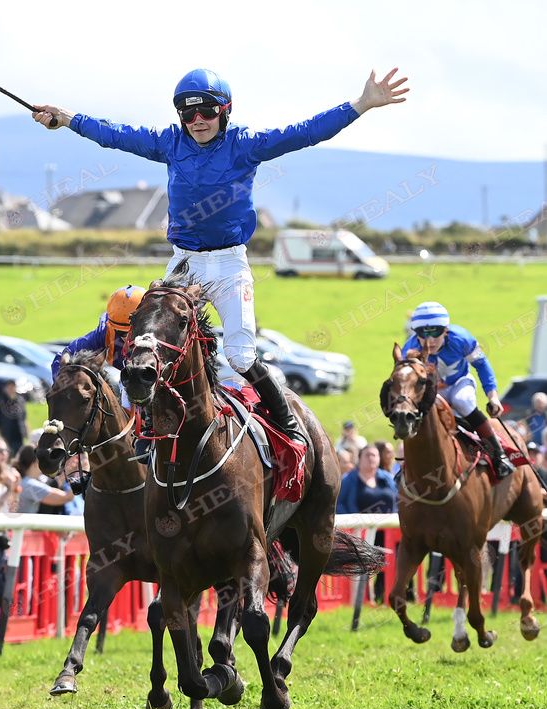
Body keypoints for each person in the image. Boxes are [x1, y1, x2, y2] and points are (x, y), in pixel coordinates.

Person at [33, 66, 409, 442]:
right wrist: (67, 119)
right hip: (183, 265)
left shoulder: (246, 144)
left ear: (225, 111)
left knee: (242, 357)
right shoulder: (169, 143)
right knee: (148, 351)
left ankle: (289, 427)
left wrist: (360, 105)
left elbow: (305, 133)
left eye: (207, 112)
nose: (197, 121)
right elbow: (114, 135)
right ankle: (145, 435)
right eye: (187, 113)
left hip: (229, 265)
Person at [402, 301, 515, 479]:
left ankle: (498, 455)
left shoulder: (462, 339)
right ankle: (407, 466)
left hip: (459, 383)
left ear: (446, 330)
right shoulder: (409, 350)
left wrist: (493, 396)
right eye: (423, 335)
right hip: (431, 391)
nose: (429, 341)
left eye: (435, 333)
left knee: (462, 401)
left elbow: (482, 364)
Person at [52, 284, 146, 409]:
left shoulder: (161, 331)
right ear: (111, 326)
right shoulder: (104, 333)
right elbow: (65, 355)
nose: (127, 338)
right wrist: (64, 387)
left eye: (133, 332)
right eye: (122, 333)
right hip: (128, 378)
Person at [336, 444, 398, 604]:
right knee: (364, 565)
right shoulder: (349, 479)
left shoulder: (387, 478)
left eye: (375, 455)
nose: (371, 459)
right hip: (358, 532)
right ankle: (361, 599)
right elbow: (340, 504)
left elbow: (397, 500)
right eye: (368, 455)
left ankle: (384, 597)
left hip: (387, 531)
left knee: (390, 563)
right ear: (360, 458)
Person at [13, 446, 74, 513]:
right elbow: (67, 497)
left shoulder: (24, 481)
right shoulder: (30, 484)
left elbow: (57, 483)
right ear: (35, 464)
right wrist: (77, 475)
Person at [0, 380, 28, 456]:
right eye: (9, 387)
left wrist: (26, 430)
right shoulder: (1, 401)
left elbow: (24, 417)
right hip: (7, 432)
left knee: (19, 453)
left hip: (19, 432)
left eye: (13, 387)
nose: (11, 389)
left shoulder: (20, 400)